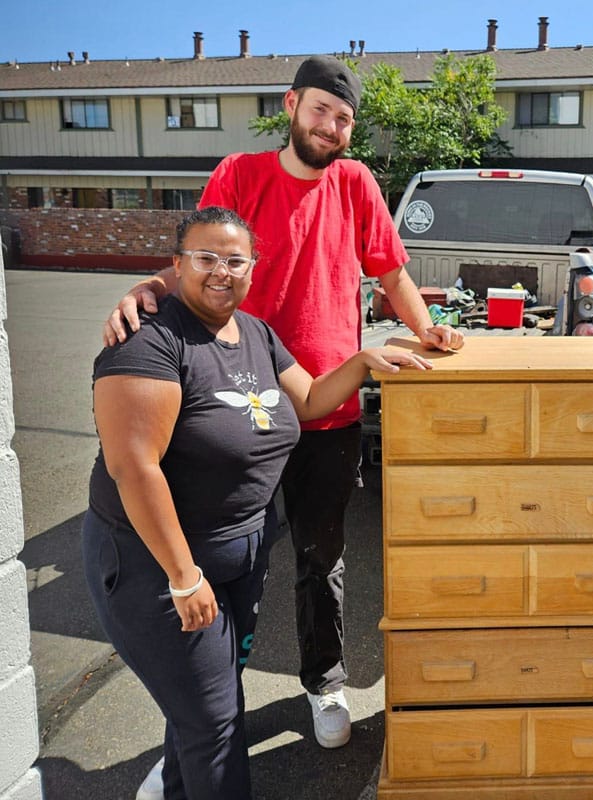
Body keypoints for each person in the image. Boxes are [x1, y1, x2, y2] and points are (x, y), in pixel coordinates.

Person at [102, 54, 464, 791]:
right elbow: (202, 253)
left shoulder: (356, 182)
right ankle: (196, 731)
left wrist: (425, 331)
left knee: (320, 558)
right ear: (291, 105)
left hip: (321, 402)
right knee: (227, 561)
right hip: (239, 406)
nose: (331, 128)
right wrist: (149, 286)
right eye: (321, 111)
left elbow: (390, 270)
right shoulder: (240, 171)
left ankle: (323, 681)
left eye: (344, 119)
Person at [83, 206, 432, 800]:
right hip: (160, 567)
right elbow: (133, 468)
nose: (222, 271)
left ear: (253, 269)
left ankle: (174, 786)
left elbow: (313, 400)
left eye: (235, 260)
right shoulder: (150, 341)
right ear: (175, 265)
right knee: (217, 724)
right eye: (206, 258)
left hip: (238, 559)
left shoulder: (256, 334)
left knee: (210, 696)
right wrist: (183, 577)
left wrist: (366, 362)